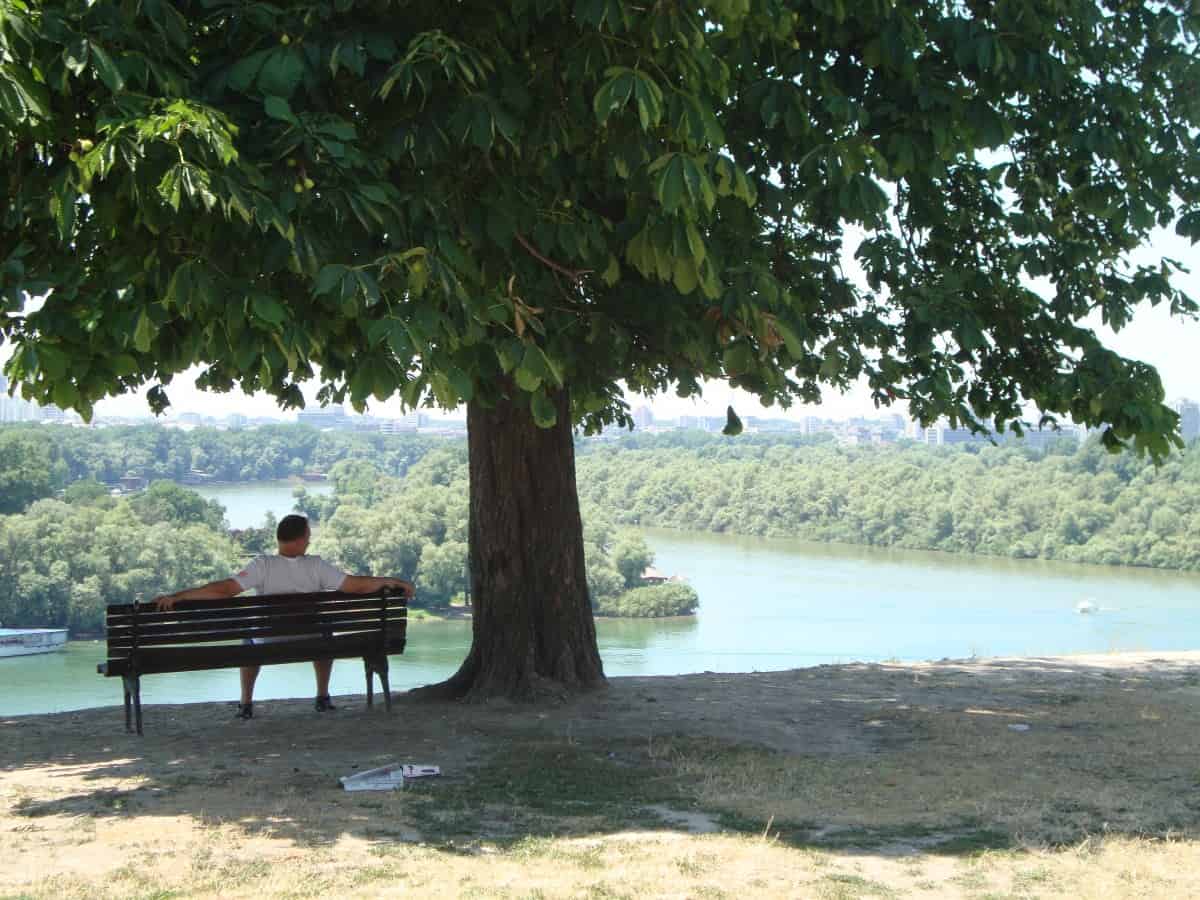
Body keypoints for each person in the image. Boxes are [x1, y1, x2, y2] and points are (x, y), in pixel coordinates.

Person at [154, 514, 414, 719]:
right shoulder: (316, 565)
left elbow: (224, 590)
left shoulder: (262, 565)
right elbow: (356, 585)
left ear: (280, 539)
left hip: (270, 640)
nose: (310, 542)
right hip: (313, 640)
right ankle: (323, 697)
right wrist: (390, 580)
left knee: (248, 640)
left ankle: (246, 704)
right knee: (326, 633)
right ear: (300, 540)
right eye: (308, 537)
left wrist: (179, 596)